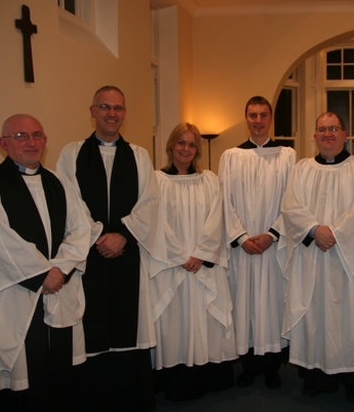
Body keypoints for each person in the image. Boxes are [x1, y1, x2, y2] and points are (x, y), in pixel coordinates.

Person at [0, 114, 93, 411]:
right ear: (3, 143)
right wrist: (41, 275)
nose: (31, 142)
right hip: (12, 293)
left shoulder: (61, 184)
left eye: (37, 135)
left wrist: (61, 269)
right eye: (21, 136)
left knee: (58, 369)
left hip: (58, 288)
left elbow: (82, 229)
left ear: (45, 141)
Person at [56, 86, 159, 411]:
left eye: (118, 108)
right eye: (105, 107)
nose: (112, 113)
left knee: (130, 324)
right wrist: (101, 236)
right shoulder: (71, 154)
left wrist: (123, 235)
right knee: (92, 326)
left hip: (128, 253)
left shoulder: (140, 156)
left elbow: (150, 202)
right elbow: (68, 201)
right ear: (92, 111)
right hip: (90, 255)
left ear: (124, 113)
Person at [277, 111, 354, 403]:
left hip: (348, 260)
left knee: (348, 319)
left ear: (345, 134)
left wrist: (334, 232)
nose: (327, 134)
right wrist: (313, 230)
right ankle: (314, 376)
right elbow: (291, 206)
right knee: (314, 316)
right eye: (322, 129)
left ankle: (353, 379)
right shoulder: (302, 168)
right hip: (312, 257)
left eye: (333, 128)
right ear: (314, 136)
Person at [148, 123, 237, 401]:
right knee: (175, 322)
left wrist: (201, 253)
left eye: (192, 144)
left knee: (206, 320)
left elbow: (217, 217)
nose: (186, 149)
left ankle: (209, 377)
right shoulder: (155, 181)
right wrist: (178, 256)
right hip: (171, 266)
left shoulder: (209, 180)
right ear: (170, 146)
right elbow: (155, 223)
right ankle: (177, 381)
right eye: (181, 143)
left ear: (197, 149)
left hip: (202, 264)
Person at [218, 96, 296, 389]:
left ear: (271, 117)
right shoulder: (230, 157)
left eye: (263, 115)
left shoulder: (287, 156)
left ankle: (272, 366)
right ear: (246, 118)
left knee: (273, 304)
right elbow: (224, 201)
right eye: (253, 115)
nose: (258, 120)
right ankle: (249, 366)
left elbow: (292, 201)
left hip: (273, 246)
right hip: (244, 248)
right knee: (246, 303)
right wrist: (240, 236)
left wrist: (273, 234)